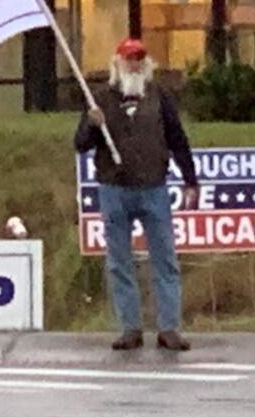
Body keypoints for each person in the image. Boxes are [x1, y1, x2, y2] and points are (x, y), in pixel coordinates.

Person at [75, 38, 200, 352]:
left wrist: (190, 180)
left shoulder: (160, 98)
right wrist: (92, 126)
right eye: (129, 58)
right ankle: (130, 327)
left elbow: (177, 139)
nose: (135, 64)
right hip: (114, 189)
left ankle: (169, 327)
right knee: (119, 261)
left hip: (154, 188)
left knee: (165, 259)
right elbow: (80, 144)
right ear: (117, 63)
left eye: (139, 59)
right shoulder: (99, 99)